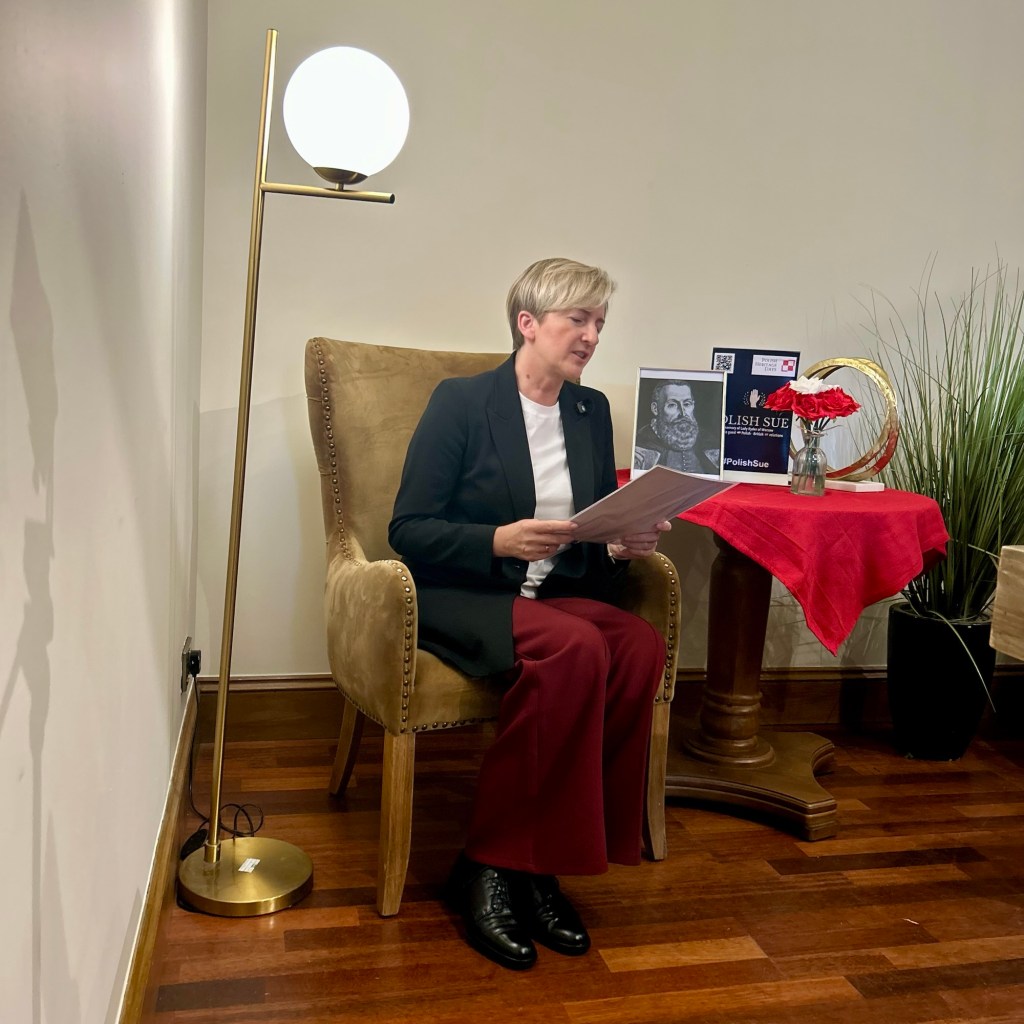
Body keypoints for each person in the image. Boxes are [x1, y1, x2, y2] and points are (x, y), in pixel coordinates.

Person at [389, 258, 671, 971]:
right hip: (466, 591)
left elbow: (588, 531)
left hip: (555, 591)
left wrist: (619, 544)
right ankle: (488, 864)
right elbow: (408, 529)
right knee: (575, 648)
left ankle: (541, 864)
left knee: (637, 645)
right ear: (528, 324)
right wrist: (497, 540)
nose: (592, 336)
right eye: (578, 319)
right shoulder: (462, 402)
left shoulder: (590, 411)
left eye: (599, 322)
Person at [633, 380, 719, 473]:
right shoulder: (641, 444)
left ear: (693, 405)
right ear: (655, 409)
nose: (683, 413)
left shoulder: (709, 442)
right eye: (672, 405)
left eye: (687, 404)